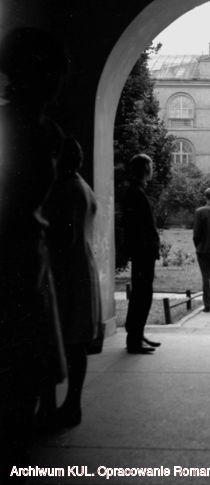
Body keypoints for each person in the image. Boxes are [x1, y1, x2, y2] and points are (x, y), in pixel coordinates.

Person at [0, 28, 68, 471]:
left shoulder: (48, 131)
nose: (61, 79)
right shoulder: (18, 128)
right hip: (12, 266)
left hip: (30, 265)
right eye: (55, 69)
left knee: (25, 386)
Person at [43, 138, 102, 428]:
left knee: (58, 338)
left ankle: (56, 407)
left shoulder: (64, 188)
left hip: (65, 271)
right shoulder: (83, 186)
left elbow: (63, 236)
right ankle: (71, 404)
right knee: (75, 339)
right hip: (81, 267)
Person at [123, 154, 161, 354]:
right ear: (145, 168)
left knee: (141, 294)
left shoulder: (137, 191)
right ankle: (135, 339)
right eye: (151, 166)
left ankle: (137, 334)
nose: (153, 169)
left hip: (143, 251)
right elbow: (137, 227)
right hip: (143, 252)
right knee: (142, 295)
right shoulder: (136, 193)